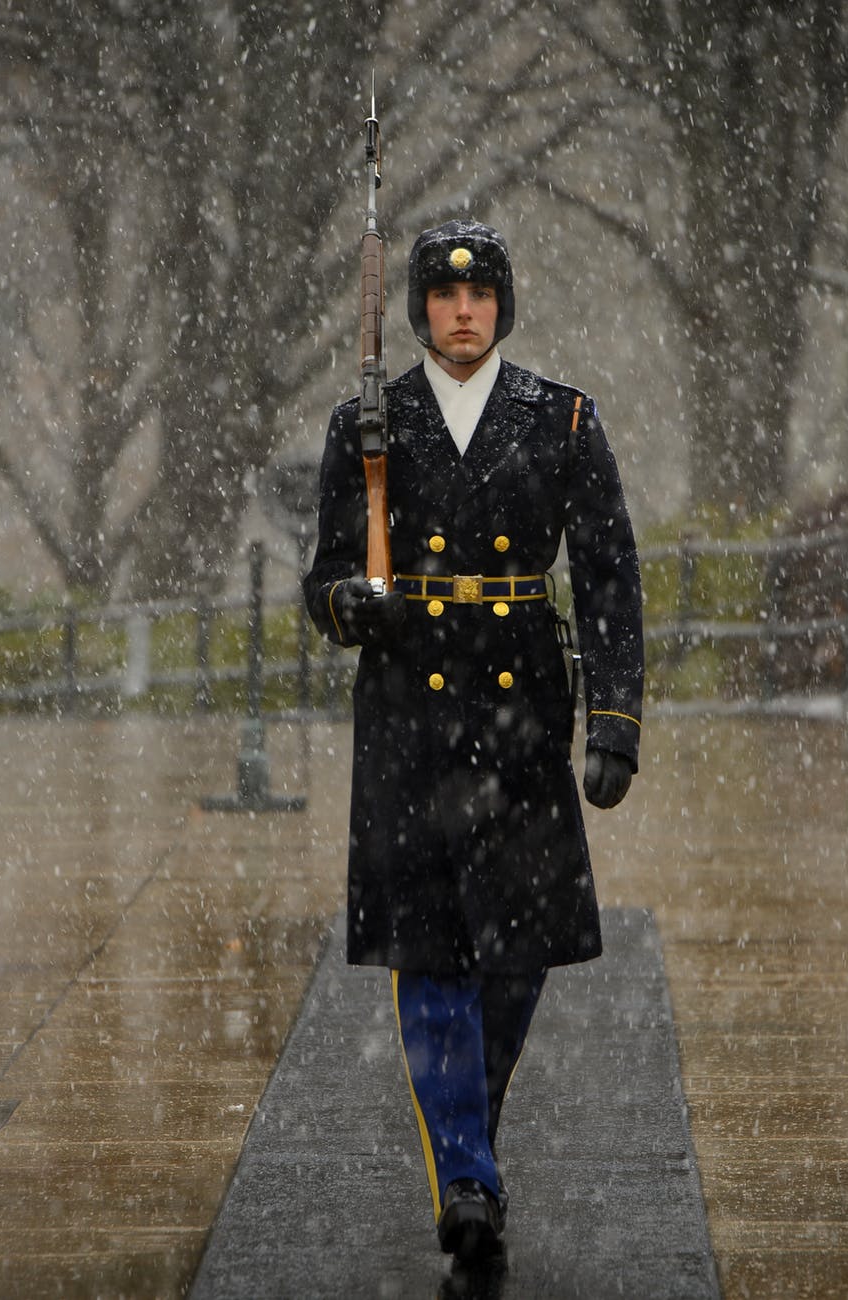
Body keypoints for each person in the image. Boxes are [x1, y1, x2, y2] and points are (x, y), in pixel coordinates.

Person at [303, 218, 643, 1264]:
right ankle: (464, 1174)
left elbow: (609, 576)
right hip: (410, 712)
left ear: (502, 305)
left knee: (517, 955)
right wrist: (349, 604)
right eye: (444, 295)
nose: (462, 310)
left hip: (521, 712)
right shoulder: (371, 423)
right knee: (433, 948)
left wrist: (615, 721)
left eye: (480, 294)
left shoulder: (562, 420)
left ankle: (464, 1142)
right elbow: (323, 577)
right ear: (417, 308)